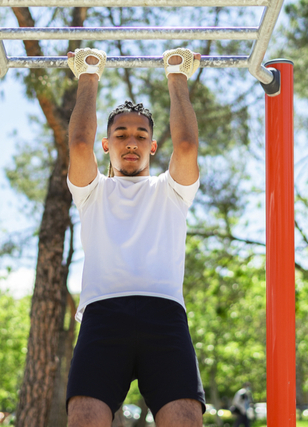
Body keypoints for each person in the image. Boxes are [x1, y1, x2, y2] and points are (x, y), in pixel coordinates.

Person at [64, 46, 205, 427]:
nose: (131, 142)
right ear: (106, 146)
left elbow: (188, 145)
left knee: (186, 421)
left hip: (164, 316)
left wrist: (177, 78)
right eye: (121, 134)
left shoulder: (172, 190)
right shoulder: (92, 191)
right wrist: (88, 77)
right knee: (83, 419)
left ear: (153, 147)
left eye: (141, 135)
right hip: (104, 315)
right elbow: (79, 144)